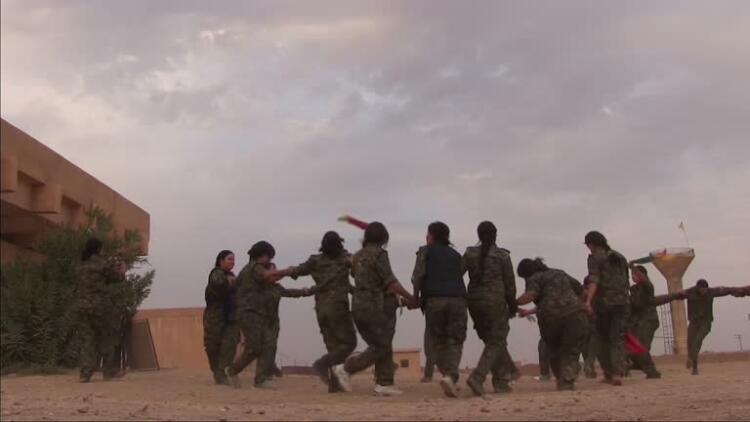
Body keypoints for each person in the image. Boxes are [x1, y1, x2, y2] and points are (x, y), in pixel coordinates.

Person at [331, 222, 417, 396]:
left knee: (381, 341)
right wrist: (411, 297)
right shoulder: (379, 254)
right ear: (384, 238)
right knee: (381, 345)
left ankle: (384, 383)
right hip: (373, 306)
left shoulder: (357, 256)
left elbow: (361, 276)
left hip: (357, 305)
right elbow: (391, 283)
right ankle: (346, 369)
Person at [290, 231, 357, 393]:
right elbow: (358, 270)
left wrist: (276, 273)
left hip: (321, 310)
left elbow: (296, 271)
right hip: (338, 309)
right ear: (340, 244)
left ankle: (335, 386)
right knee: (349, 343)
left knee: (334, 348)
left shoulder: (315, 260)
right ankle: (322, 363)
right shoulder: (345, 259)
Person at [224, 241, 295, 388]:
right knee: (254, 347)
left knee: (269, 344)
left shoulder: (251, 270)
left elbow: (270, 278)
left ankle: (261, 379)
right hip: (248, 313)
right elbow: (268, 275)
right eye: (268, 257)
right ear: (262, 255)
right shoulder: (254, 267)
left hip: (257, 313)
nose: (269, 261)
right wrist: (287, 271)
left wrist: (286, 274)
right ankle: (232, 371)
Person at [411, 222, 468, 398]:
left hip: (434, 301)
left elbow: (418, 276)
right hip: (458, 300)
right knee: (455, 341)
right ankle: (450, 376)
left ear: (432, 236)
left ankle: (448, 375)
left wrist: (415, 297)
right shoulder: (456, 255)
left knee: (435, 341)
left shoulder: (425, 251)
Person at [516, 258, 588, 391]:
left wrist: (513, 303)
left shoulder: (534, 278)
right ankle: (567, 377)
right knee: (571, 350)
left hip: (551, 321)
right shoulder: (559, 273)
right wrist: (582, 305)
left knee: (553, 350)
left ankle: (564, 377)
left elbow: (531, 295)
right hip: (575, 316)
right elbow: (582, 291)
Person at [463, 221, 517, 396]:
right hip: (495, 303)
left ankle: (501, 381)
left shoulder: (469, 253)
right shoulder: (502, 256)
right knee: (497, 340)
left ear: (478, 235)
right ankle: (478, 377)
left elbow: (456, 274)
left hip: (474, 302)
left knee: (492, 341)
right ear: (495, 235)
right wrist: (513, 305)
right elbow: (510, 284)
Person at [660, 280, 746, 375]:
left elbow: (726, 290)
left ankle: (693, 363)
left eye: (705, 289)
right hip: (694, 322)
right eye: (702, 290)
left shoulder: (711, 292)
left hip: (706, 322)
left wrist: (740, 291)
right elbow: (675, 296)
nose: (704, 292)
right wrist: (672, 295)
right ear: (698, 289)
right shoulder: (690, 292)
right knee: (690, 342)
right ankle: (693, 364)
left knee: (697, 340)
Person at [583, 231, 629, 386]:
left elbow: (594, 279)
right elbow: (626, 282)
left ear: (591, 244)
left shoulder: (595, 257)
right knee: (618, 339)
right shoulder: (620, 257)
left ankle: (609, 373)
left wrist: (588, 301)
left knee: (602, 338)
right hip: (622, 302)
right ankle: (618, 373)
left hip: (604, 304)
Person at [76, 237, 126, 383]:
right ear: (98, 249)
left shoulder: (81, 265)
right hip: (99, 306)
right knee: (108, 335)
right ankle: (109, 371)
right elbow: (116, 278)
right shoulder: (101, 264)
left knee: (87, 339)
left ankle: (85, 374)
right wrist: (122, 270)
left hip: (82, 306)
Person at [259, 275, 316, 387]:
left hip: (272, 321)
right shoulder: (256, 287)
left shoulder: (277, 288)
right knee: (258, 347)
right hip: (257, 321)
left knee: (271, 347)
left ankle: (267, 372)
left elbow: (290, 293)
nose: (274, 274)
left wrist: (306, 291)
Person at [203, 250, 239, 385]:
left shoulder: (232, 276)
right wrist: (230, 282)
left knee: (229, 345)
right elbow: (219, 283)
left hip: (230, 317)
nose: (232, 262)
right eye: (229, 259)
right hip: (215, 317)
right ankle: (218, 373)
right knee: (213, 346)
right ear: (221, 261)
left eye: (233, 260)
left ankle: (224, 372)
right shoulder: (216, 273)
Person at [626, 265, 662, 379]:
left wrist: (633, 267)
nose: (633, 276)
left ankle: (651, 371)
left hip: (648, 319)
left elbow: (645, 281)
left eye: (635, 274)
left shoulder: (647, 286)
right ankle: (637, 365)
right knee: (631, 345)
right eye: (632, 275)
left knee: (640, 345)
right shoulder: (633, 290)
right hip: (637, 321)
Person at [580, 276, 598, 378]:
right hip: (590, 322)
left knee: (586, 345)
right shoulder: (589, 293)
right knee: (591, 345)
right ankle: (589, 365)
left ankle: (589, 367)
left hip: (585, 323)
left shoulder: (581, 293)